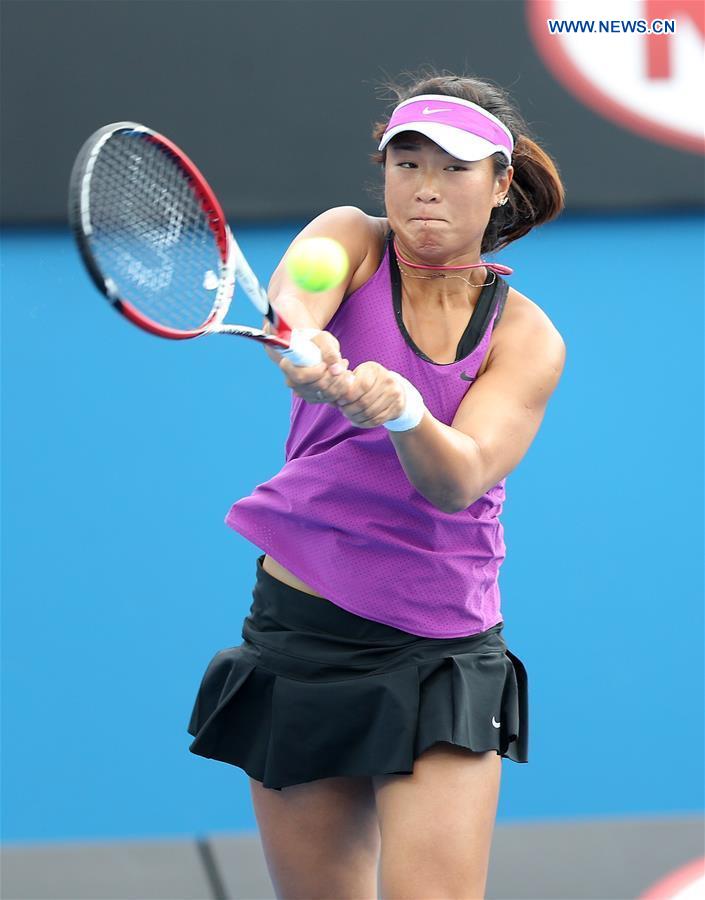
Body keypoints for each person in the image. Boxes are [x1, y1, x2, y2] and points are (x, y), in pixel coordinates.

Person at [187, 71, 566, 899]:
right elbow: (300, 296)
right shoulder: (349, 238)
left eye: (453, 168)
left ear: (500, 185)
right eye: (407, 163)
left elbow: (457, 479)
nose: (424, 189)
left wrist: (404, 415)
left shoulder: (528, 338)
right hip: (302, 633)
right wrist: (302, 343)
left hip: (441, 653)